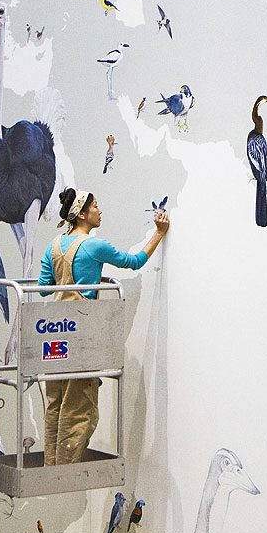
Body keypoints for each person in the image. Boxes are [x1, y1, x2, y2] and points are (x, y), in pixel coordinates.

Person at [37, 187, 169, 465]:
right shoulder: (94, 246)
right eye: (95, 206)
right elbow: (133, 262)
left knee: (56, 402)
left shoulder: (53, 245)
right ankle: (66, 470)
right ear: (83, 214)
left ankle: (51, 463)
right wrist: (159, 233)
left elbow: (44, 290)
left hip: (55, 334)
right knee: (79, 406)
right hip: (83, 333)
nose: (100, 210)